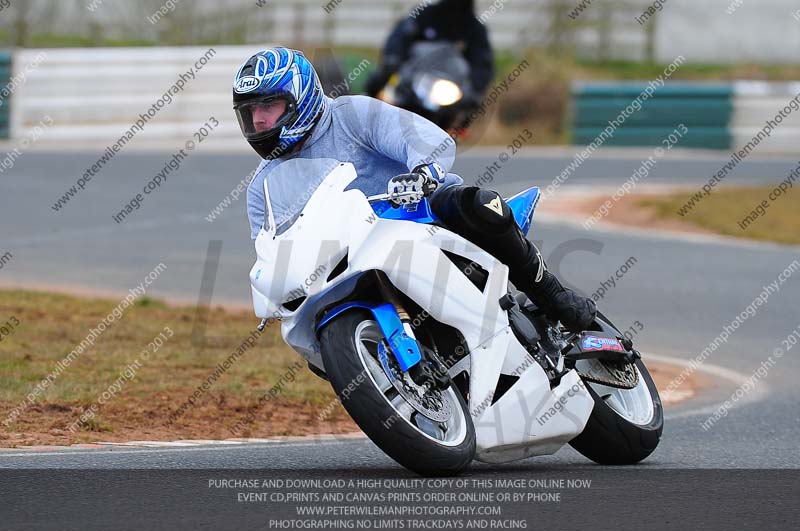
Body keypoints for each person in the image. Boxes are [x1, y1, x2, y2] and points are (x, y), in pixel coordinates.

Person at [236, 47, 595, 332]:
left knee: (475, 203)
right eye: (251, 111)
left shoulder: (350, 115)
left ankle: (550, 293)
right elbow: (272, 251)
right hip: (349, 261)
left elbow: (424, 139)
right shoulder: (260, 189)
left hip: (417, 216)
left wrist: (422, 171)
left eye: (269, 105)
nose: (260, 120)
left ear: (300, 97)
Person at [364, 0, 493, 106]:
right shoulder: (424, 16)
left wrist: (476, 89)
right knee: (381, 90)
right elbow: (399, 40)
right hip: (414, 83)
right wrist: (392, 61)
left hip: (450, 92)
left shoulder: (475, 30)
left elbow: (482, 64)